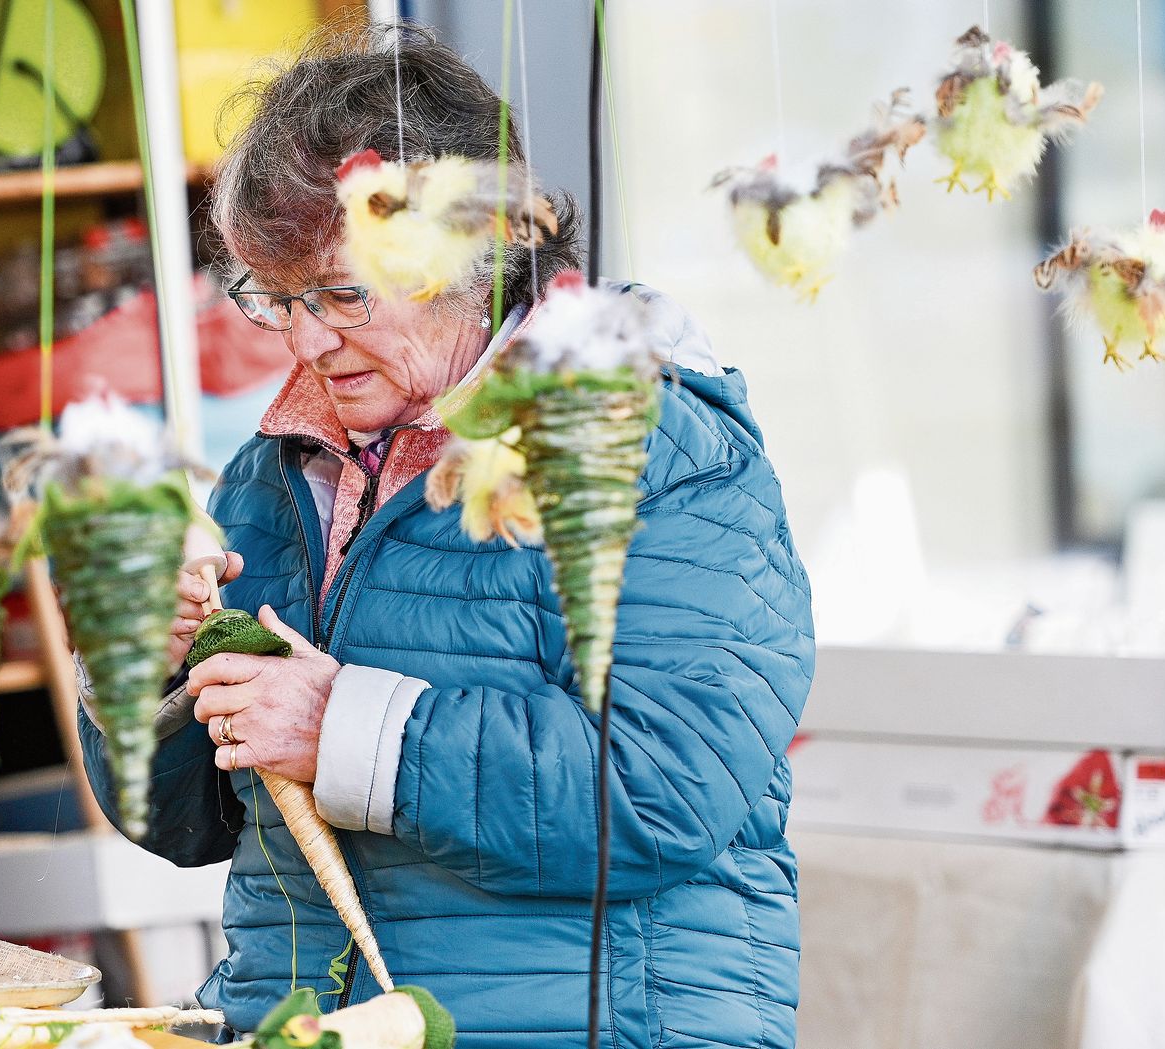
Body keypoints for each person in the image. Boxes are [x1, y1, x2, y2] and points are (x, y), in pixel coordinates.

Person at [77, 24, 814, 1049]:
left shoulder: (652, 444)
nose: (305, 340)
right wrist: (147, 675)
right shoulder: (275, 472)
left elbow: (661, 785)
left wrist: (341, 728)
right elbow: (185, 825)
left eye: (341, 293)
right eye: (275, 298)